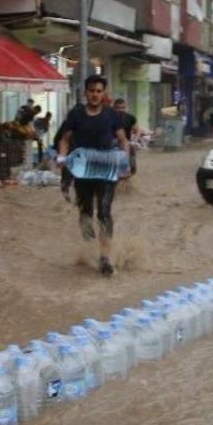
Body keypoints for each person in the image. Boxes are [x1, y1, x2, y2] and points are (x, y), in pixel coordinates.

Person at [57, 75, 130, 276]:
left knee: (104, 212)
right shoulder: (76, 114)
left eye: (99, 91)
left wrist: (125, 163)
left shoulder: (112, 115)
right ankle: (89, 247)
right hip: (82, 170)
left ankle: (104, 258)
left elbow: (123, 141)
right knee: (86, 212)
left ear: (103, 93)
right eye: (91, 91)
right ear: (86, 93)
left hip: (106, 169)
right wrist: (62, 157)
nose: (95, 94)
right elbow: (64, 139)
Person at [112, 98, 138, 176]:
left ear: (125, 107)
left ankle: (127, 170)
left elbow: (137, 130)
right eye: (118, 108)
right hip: (113, 142)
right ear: (114, 108)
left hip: (126, 142)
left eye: (122, 107)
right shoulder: (110, 118)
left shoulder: (130, 118)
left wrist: (134, 140)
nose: (120, 110)